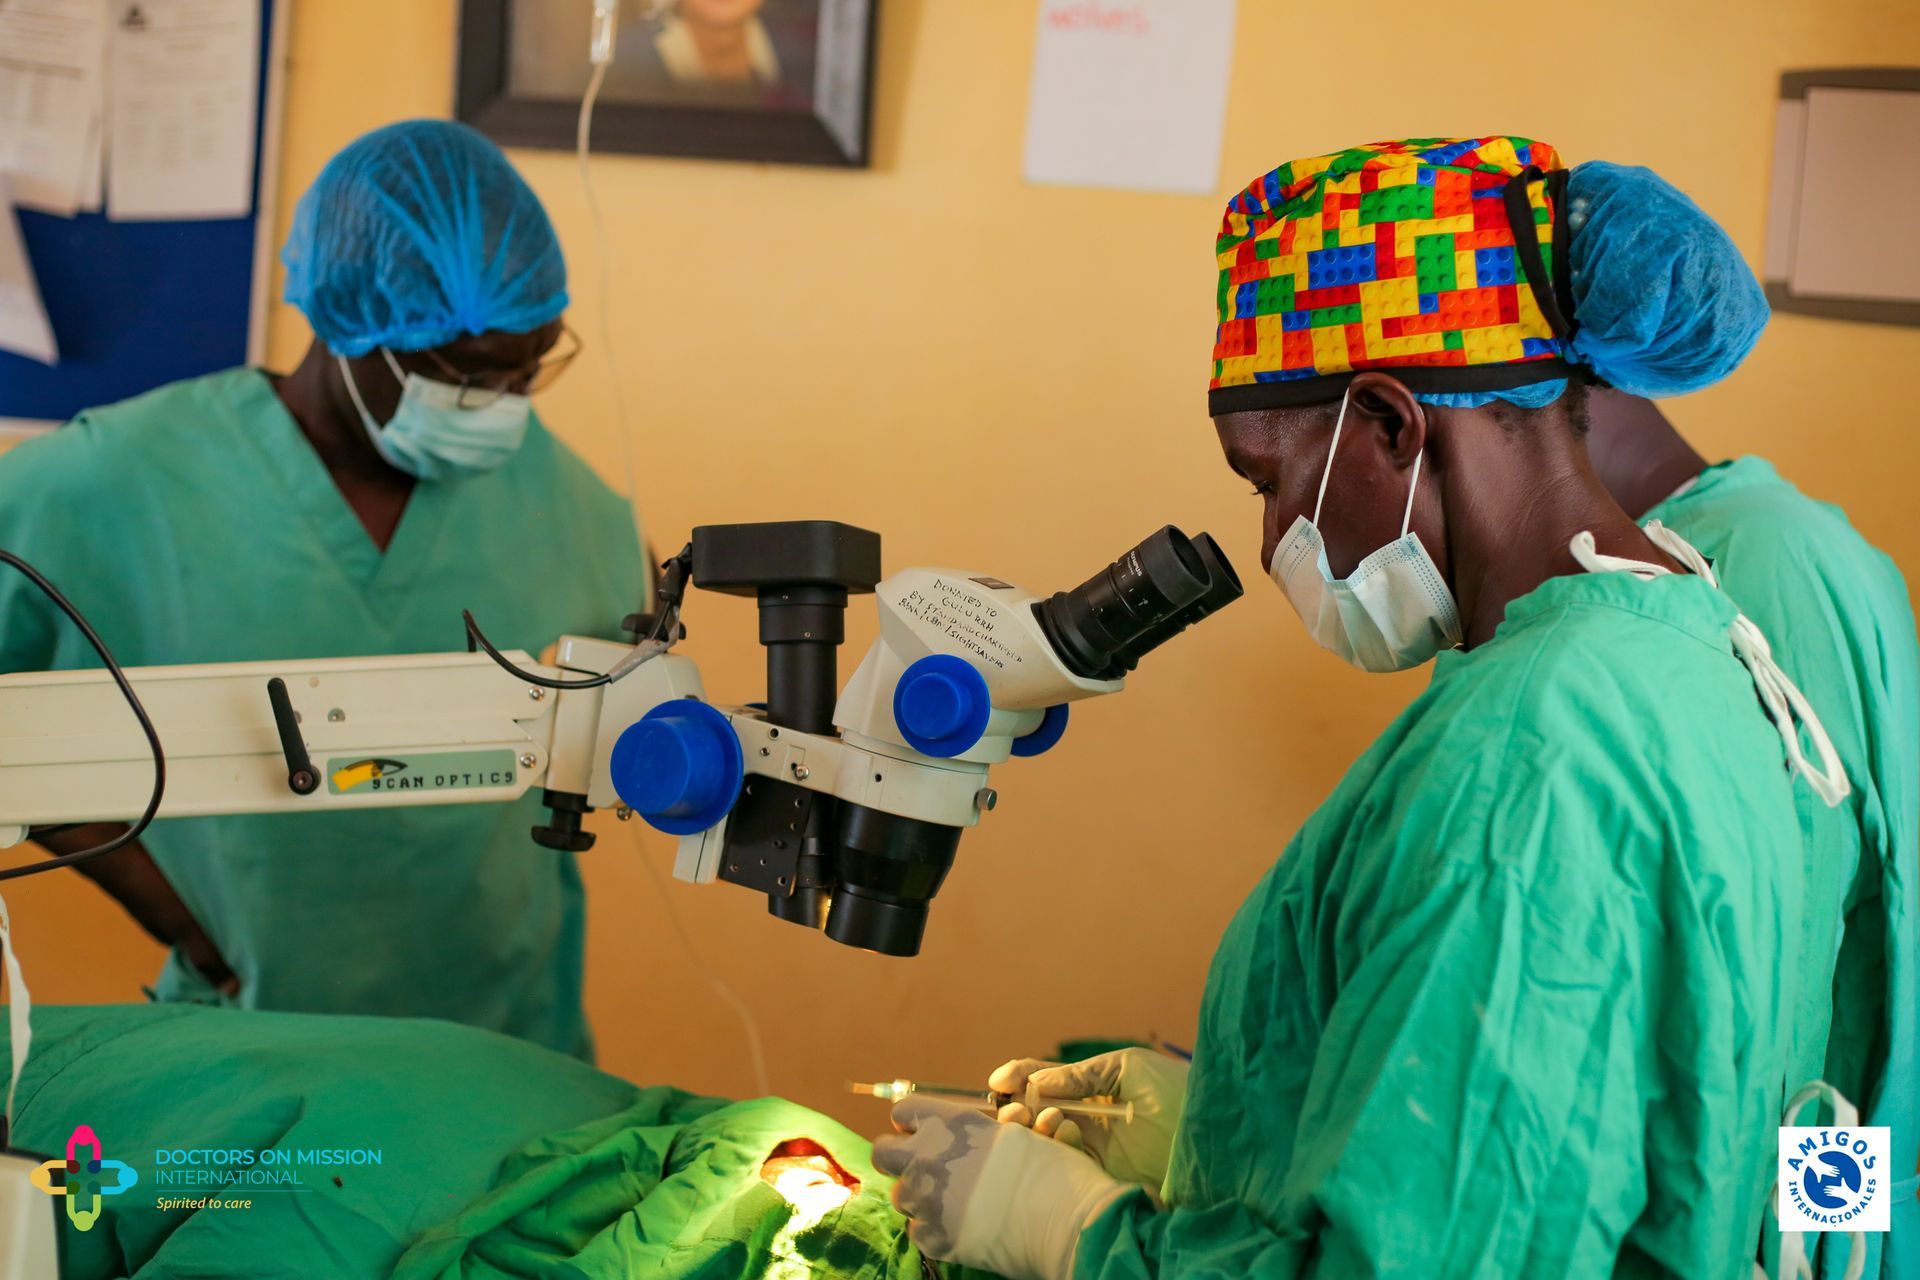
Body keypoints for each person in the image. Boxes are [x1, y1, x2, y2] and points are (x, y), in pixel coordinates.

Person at [872, 138, 1876, 1277]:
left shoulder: (1529, 754)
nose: (1268, 543)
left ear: (1392, 425)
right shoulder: (1699, 646)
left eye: (1269, 481)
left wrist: (1078, 1236)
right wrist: (1231, 1133)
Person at [0, 120, 644, 1059]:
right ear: (352, 327)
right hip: (252, 1054)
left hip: (511, 1054)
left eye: (529, 366)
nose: (505, 402)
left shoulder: (579, 512)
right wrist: (181, 917)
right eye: (468, 375)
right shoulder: (118, 483)